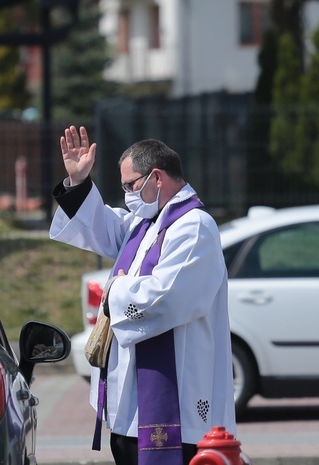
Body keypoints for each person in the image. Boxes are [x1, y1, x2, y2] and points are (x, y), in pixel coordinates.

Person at [49, 126, 236, 465]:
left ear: (157, 177)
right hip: (130, 405)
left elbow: (166, 296)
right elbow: (102, 227)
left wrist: (115, 290)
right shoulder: (146, 223)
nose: (127, 196)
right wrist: (78, 183)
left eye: (130, 185)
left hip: (176, 407)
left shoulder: (194, 226)